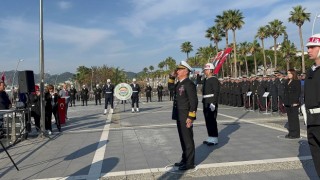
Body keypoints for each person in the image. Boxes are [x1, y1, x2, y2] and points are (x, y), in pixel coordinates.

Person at [168, 61, 198, 171]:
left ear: (186, 71)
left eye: (180, 69)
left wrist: (190, 117)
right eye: (177, 69)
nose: (177, 71)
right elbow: (171, 88)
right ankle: (185, 159)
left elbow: (193, 101)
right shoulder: (180, 83)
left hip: (185, 116)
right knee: (182, 139)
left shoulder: (189, 84)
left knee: (188, 139)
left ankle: (190, 163)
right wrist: (171, 77)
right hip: (179, 115)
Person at [304, 33, 320, 177]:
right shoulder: (310, 71)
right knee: (316, 155)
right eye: (308, 48)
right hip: (312, 120)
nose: (309, 50)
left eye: (312, 47)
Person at [197, 63, 220, 146]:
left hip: (211, 101)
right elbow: (198, 82)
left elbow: (216, 92)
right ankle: (210, 136)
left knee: (212, 120)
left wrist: (214, 103)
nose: (205, 71)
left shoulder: (214, 79)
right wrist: (198, 75)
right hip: (206, 101)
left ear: (211, 70)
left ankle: (214, 138)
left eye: (206, 70)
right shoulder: (206, 79)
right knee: (207, 120)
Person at [283, 69, 301, 139]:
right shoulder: (287, 81)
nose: (288, 74)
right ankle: (291, 132)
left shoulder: (297, 82)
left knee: (294, 118)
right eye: (288, 73)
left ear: (293, 74)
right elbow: (285, 92)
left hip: (294, 102)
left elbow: (298, 92)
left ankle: (295, 134)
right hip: (287, 102)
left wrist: (296, 102)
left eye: (290, 73)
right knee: (290, 118)